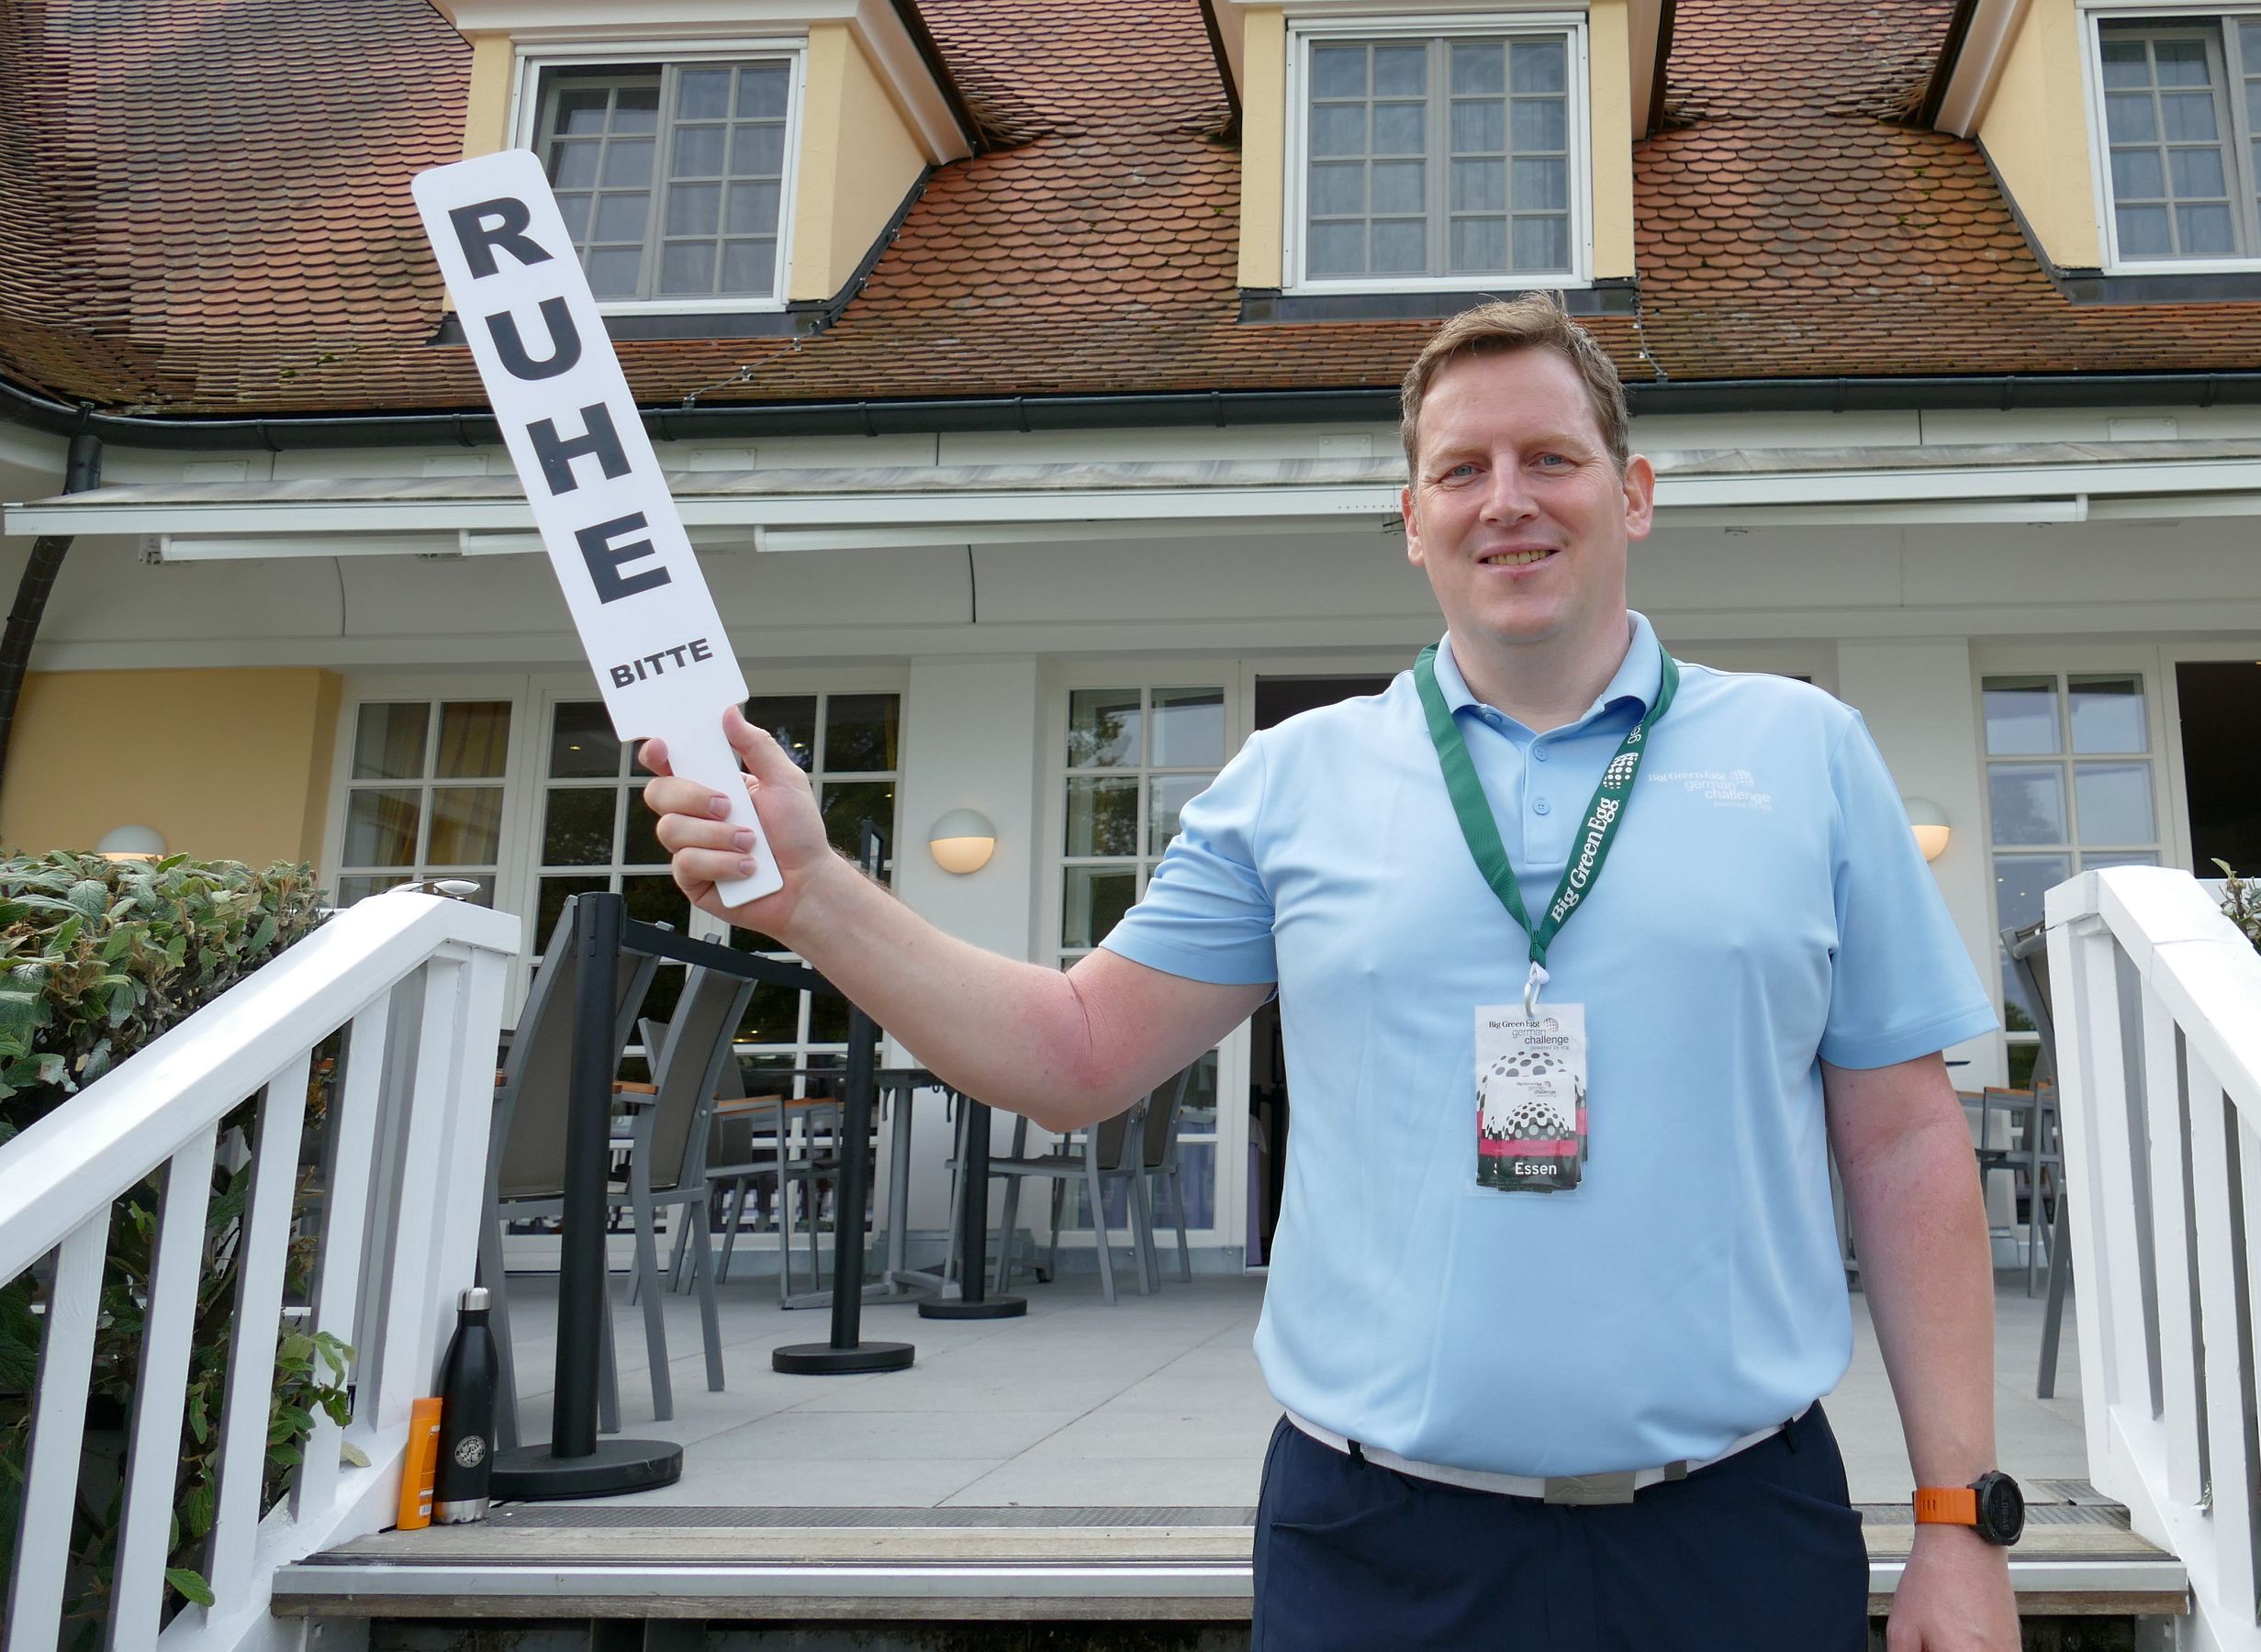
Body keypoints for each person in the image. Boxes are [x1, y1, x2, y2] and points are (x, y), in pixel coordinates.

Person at [644, 293, 2020, 1651]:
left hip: (1733, 1537)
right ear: (1412, 521)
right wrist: (818, 897)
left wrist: (1960, 1523)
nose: (1508, 501)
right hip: (1378, 1553)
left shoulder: (1805, 752)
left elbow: (1905, 1150)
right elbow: (1072, 1055)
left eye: (1552, 458)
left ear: (1635, 493)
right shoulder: (1293, 782)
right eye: (1460, 470)